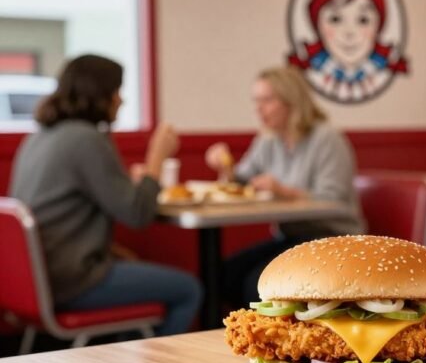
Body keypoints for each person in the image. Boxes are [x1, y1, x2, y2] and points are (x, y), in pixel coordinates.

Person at [9, 55, 202, 336]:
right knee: (189, 289)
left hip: (31, 283)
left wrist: (110, 250)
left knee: (133, 269)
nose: (121, 101)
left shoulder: (39, 137)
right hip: (71, 282)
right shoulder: (87, 140)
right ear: (100, 96)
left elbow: (58, 213)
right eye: (116, 91)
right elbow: (138, 214)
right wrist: (156, 158)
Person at [206, 66, 366, 305]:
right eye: (256, 101)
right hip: (292, 238)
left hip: (333, 238)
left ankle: (272, 339)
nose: (259, 109)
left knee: (257, 285)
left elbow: (335, 200)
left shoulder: (327, 139)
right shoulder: (269, 139)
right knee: (225, 274)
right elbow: (243, 180)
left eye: (267, 100)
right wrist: (225, 167)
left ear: (292, 101)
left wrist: (283, 191)